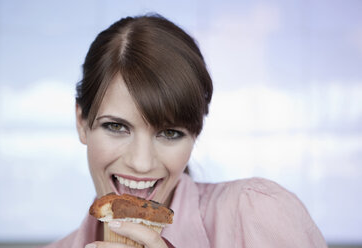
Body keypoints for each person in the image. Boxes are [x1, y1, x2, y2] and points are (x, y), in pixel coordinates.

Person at [44, 14, 327, 248]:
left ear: (195, 134)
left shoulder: (258, 214)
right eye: (116, 127)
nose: (141, 163)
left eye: (169, 133)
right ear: (82, 122)